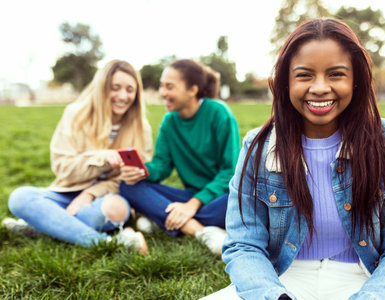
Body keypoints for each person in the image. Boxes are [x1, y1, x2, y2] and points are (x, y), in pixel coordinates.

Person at [203, 18, 385, 299]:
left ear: (356, 80)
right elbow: (243, 246)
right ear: (285, 82)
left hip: (365, 281)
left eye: (336, 74)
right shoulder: (258, 147)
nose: (320, 87)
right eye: (304, 75)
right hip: (281, 280)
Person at [3, 60, 152, 255]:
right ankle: (110, 244)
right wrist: (101, 159)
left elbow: (133, 179)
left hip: (108, 198)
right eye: (115, 88)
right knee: (20, 198)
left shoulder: (141, 128)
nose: (123, 96)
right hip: (66, 193)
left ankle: (45, 225)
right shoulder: (75, 115)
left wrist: (90, 194)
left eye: (130, 90)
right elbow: (62, 167)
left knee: (113, 210)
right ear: (101, 87)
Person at [120, 59, 240, 255]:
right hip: (190, 196)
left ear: (192, 90)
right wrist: (142, 171)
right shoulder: (169, 121)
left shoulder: (219, 113)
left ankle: (162, 216)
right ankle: (201, 231)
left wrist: (192, 206)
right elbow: (162, 165)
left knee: (244, 203)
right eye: (161, 86)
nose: (162, 93)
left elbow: (230, 172)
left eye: (169, 87)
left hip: (222, 197)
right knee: (128, 186)